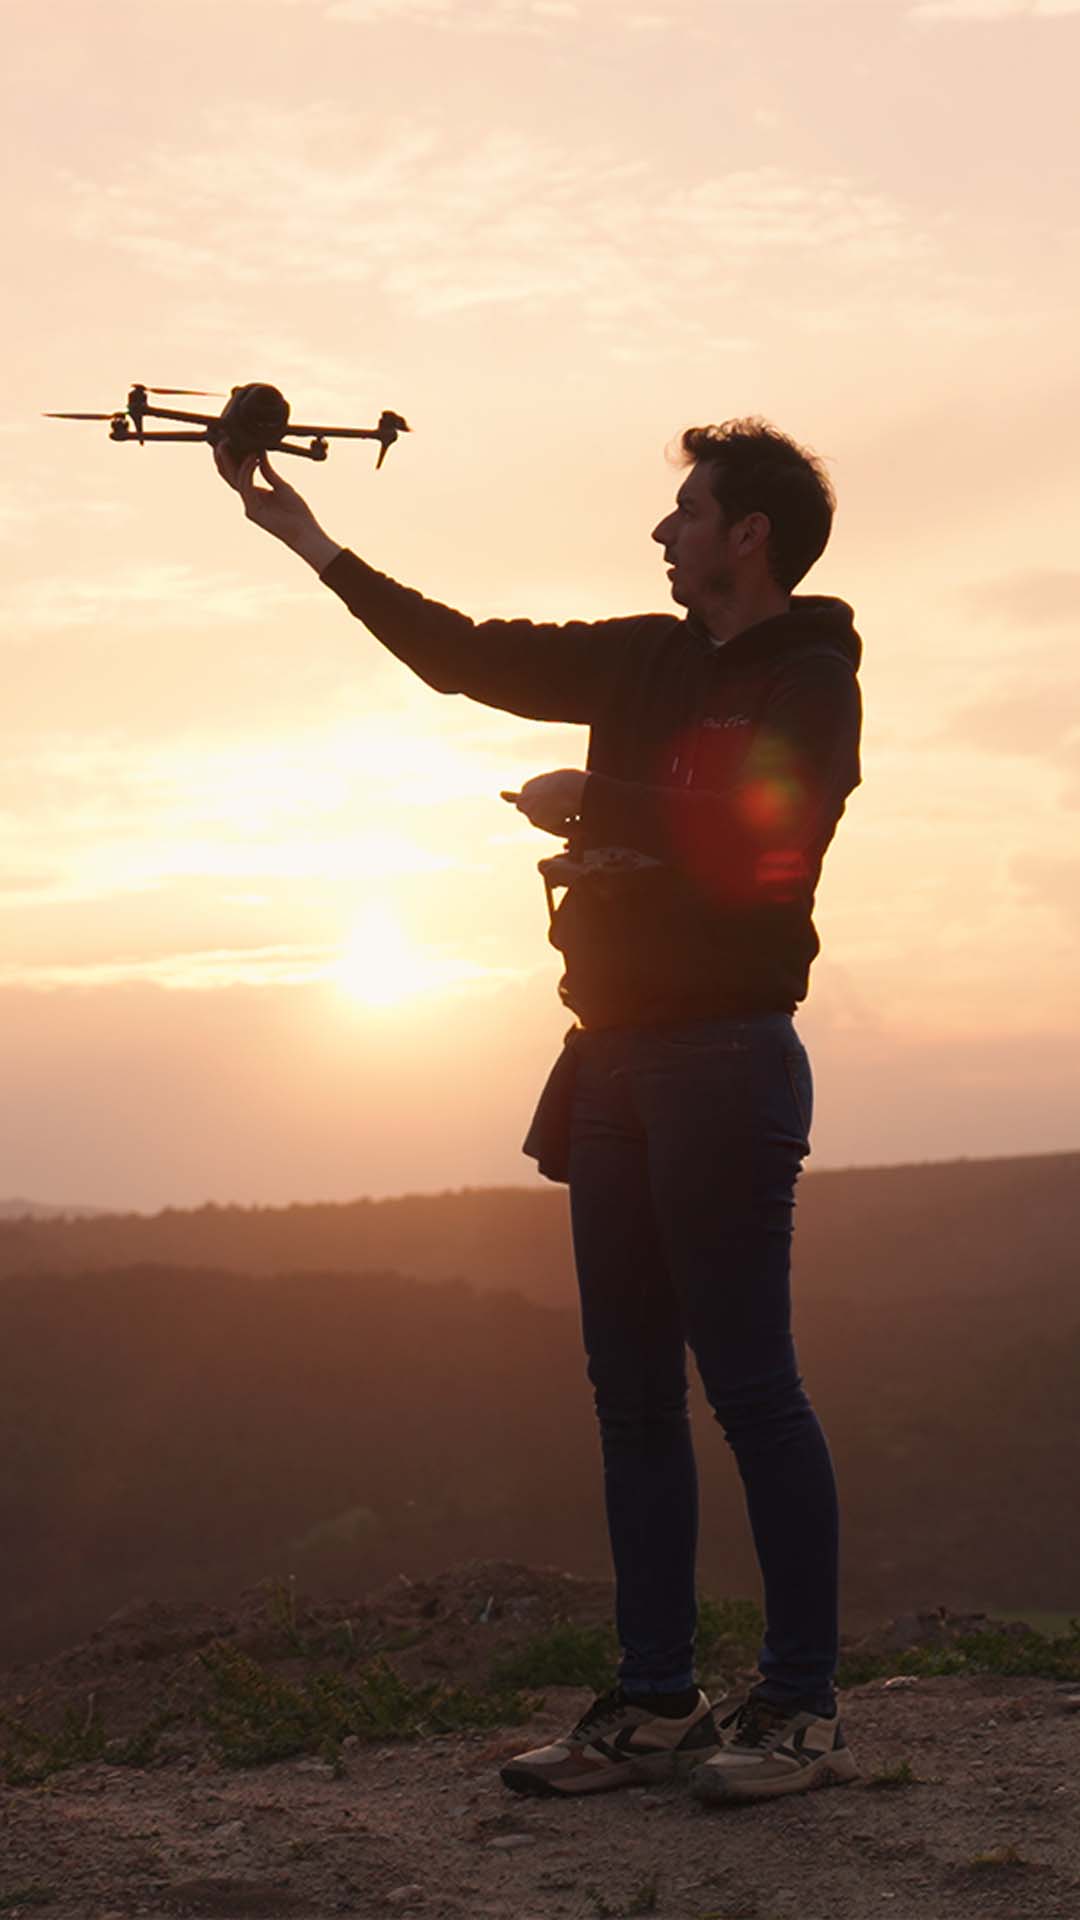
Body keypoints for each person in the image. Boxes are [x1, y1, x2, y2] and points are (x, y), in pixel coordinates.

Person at [214, 418, 862, 1806]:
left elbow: (775, 824)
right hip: (616, 1058)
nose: (661, 531)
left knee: (750, 1389)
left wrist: (598, 801)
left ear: (747, 533)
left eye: (685, 510)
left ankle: (803, 1710)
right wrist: (309, 541)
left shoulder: (812, 676)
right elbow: (468, 653)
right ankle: (654, 1701)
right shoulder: (641, 655)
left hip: (726, 1058)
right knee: (631, 1395)